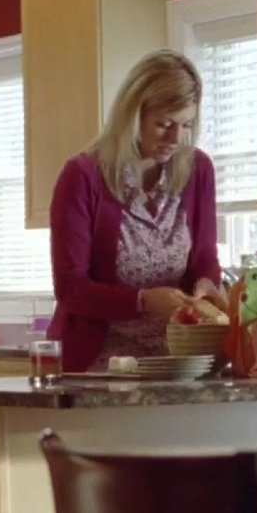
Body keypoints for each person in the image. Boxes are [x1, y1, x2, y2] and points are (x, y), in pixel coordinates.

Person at [46, 49, 227, 373]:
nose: (176, 138)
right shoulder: (83, 176)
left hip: (179, 365)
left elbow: (203, 258)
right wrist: (142, 300)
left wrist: (206, 284)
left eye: (186, 125)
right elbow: (71, 289)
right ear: (133, 115)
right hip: (101, 366)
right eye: (164, 124)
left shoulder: (197, 169)